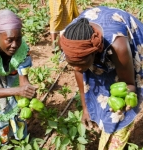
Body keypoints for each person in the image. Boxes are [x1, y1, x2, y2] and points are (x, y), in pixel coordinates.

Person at [60, 6, 143, 150]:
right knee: (98, 94)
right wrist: (86, 108)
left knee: (118, 117)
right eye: (73, 64)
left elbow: (129, 83)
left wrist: (126, 101)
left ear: (94, 53)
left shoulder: (118, 45)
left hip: (127, 42)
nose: (77, 69)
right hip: (97, 49)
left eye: (81, 64)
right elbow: (79, 71)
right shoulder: (70, 40)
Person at [0, 9, 36, 145]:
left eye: (18, 39)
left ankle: (21, 141)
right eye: (10, 40)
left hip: (12, 74)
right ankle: (3, 143)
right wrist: (16, 90)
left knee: (17, 108)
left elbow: (23, 81)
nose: (15, 45)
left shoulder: (21, 49)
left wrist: (27, 91)